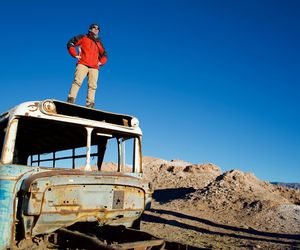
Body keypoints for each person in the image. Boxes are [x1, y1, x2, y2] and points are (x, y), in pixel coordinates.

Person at [67, 23, 107, 108]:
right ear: (90, 29)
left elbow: (104, 55)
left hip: (94, 67)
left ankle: (90, 105)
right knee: (77, 81)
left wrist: (100, 62)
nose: (96, 29)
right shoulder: (83, 37)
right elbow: (70, 43)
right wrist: (75, 54)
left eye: (98, 28)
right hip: (83, 64)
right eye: (94, 27)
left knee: (93, 86)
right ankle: (71, 100)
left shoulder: (99, 43)